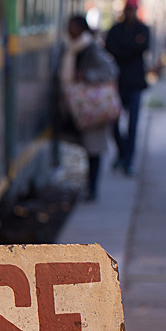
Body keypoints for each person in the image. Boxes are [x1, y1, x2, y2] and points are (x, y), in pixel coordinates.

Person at [60, 15, 117, 201]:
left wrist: (86, 75)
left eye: (73, 26)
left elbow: (110, 70)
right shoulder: (72, 47)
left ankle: (92, 189)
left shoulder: (89, 48)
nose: (69, 30)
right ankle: (90, 187)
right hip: (80, 107)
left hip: (92, 107)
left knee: (94, 149)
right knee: (88, 148)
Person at [104, 0, 150, 175]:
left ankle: (128, 159)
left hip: (136, 83)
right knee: (113, 122)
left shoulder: (143, 29)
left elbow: (141, 47)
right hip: (117, 82)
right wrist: (130, 48)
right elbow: (111, 48)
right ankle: (122, 152)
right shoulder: (116, 30)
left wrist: (125, 49)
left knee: (133, 125)